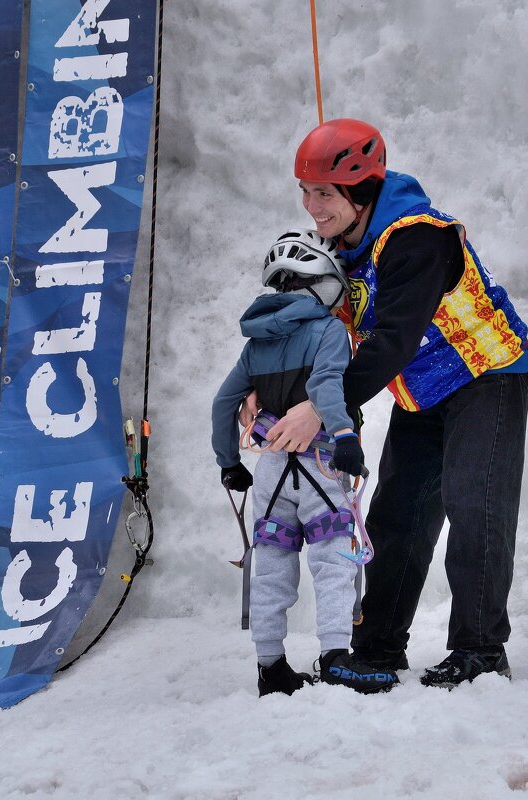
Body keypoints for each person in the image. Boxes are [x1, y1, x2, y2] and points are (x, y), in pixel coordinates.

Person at [257, 118, 528, 688]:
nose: (311, 207)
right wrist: (266, 390)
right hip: (422, 391)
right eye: (305, 191)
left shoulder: (417, 239)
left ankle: (481, 651)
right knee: (397, 514)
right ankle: (377, 649)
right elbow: (307, 328)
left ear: (360, 191)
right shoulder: (337, 246)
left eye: (323, 193)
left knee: (474, 505)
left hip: (486, 375)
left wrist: (323, 408)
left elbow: (393, 341)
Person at [211, 229, 400, 697]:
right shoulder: (329, 330)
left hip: (271, 469)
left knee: (272, 567)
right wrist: (345, 435)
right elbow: (326, 385)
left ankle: (270, 667)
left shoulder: (256, 343)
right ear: (323, 283)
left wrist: (229, 462)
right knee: (334, 561)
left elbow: (223, 403)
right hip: (320, 463)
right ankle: (335, 657)